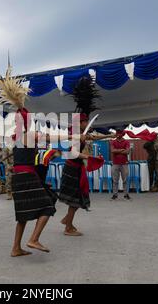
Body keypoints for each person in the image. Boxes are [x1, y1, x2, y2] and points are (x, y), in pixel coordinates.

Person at [0, 65, 78, 256]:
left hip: (18, 177)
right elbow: (50, 138)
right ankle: (34, 239)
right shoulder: (30, 134)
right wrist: (71, 137)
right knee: (48, 205)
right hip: (28, 176)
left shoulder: (15, 136)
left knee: (23, 215)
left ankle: (15, 248)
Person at [59, 76, 106, 236]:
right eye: (86, 123)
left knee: (78, 198)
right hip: (72, 169)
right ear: (82, 123)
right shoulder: (75, 134)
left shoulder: (80, 133)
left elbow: (92, 137)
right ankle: (68, 227)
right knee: (75, 199)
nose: (88, 125)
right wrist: (87, 157)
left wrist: (109, 137)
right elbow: (71, 152)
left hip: (75, 168)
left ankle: (67, 219)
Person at [110, 129, 131, 200]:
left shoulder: (126, 141)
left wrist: (117, 151)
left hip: (124, 163)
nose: (118, 134)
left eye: (119, 133)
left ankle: (126, 194)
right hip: (115, 163)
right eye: (117, 133)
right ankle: (115, 195)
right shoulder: (113, 141)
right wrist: (122, 150)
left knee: (125, 180)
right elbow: (112, 150)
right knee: (115, 180)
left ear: (122, 134)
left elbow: (128, 151)